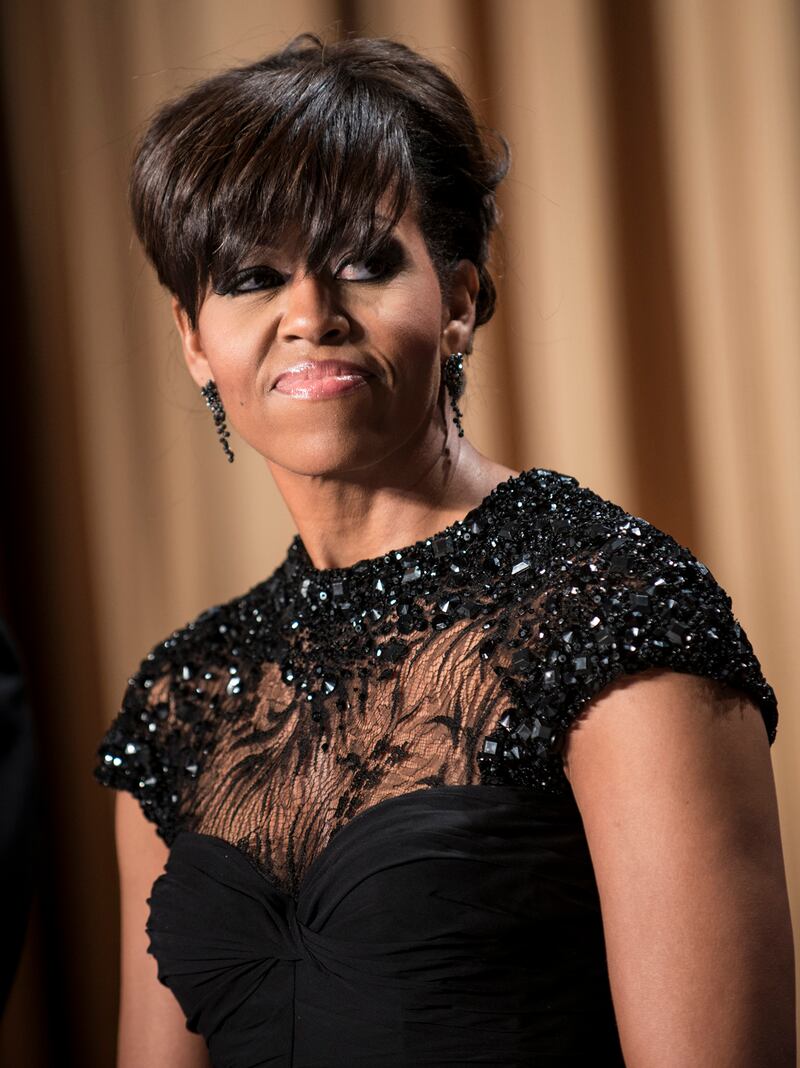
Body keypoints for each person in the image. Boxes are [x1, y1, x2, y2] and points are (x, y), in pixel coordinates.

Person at [93, 31, 795, 1068]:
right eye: (250, 277)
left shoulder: (612, 611)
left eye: (364, 263)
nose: (308, 316)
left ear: (459, 298)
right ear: (194, 339)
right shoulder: (181, 698)